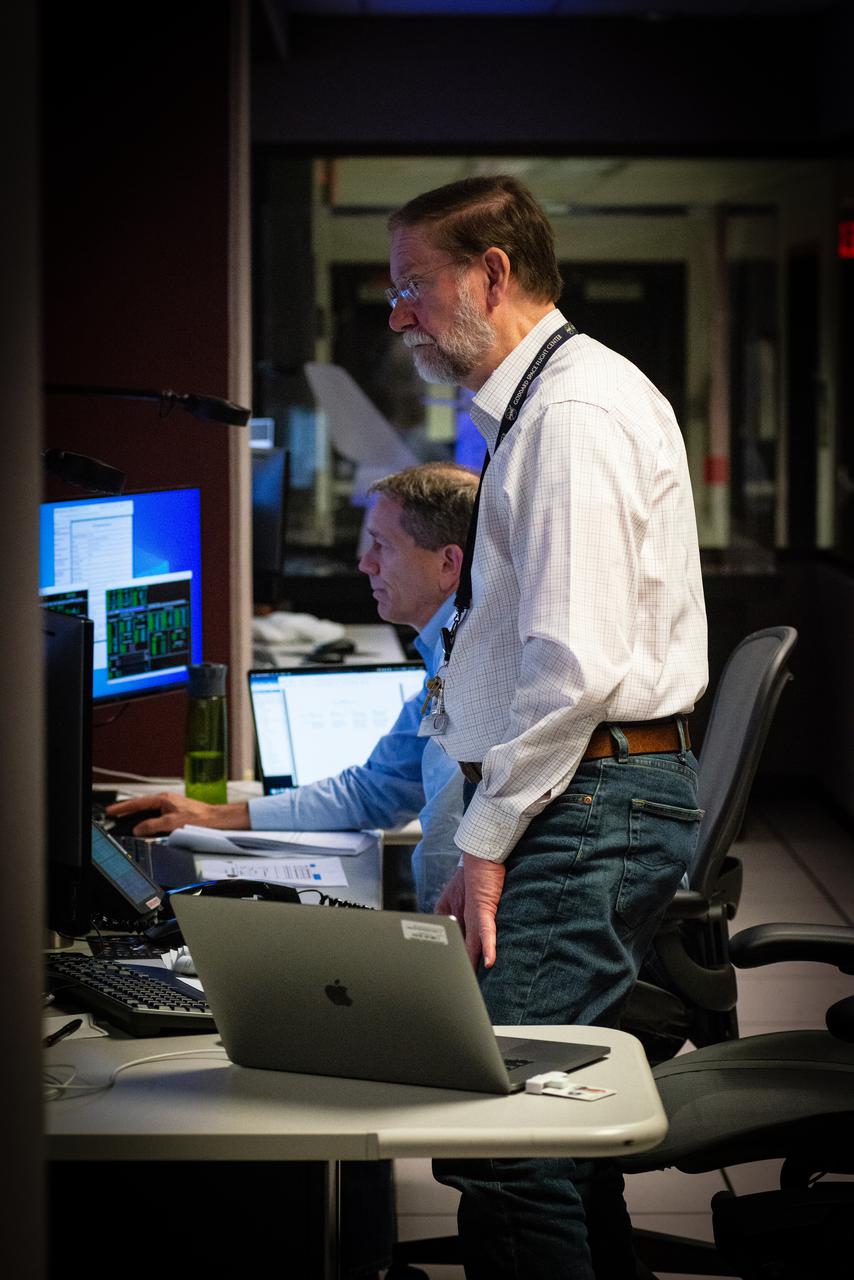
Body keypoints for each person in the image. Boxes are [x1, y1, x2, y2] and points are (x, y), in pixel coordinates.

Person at [385, 174, 708, 1278]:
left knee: (503, 1134)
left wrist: (482, 838)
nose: (397, 313)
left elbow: (569, 667)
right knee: (550, 1129)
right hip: (579, 793)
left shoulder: (568, 413)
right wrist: (480, 813)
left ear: (492, 273)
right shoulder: (536, 407)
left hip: (596, 797)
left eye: (412, 285)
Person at [107, 460, 479, 913]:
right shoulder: (447, 653)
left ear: (448, 564)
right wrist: (212, 817)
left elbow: (449, 838)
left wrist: (439, 951)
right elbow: (374, 790)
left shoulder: (474, 670)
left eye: (382, 545)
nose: (366, 563)